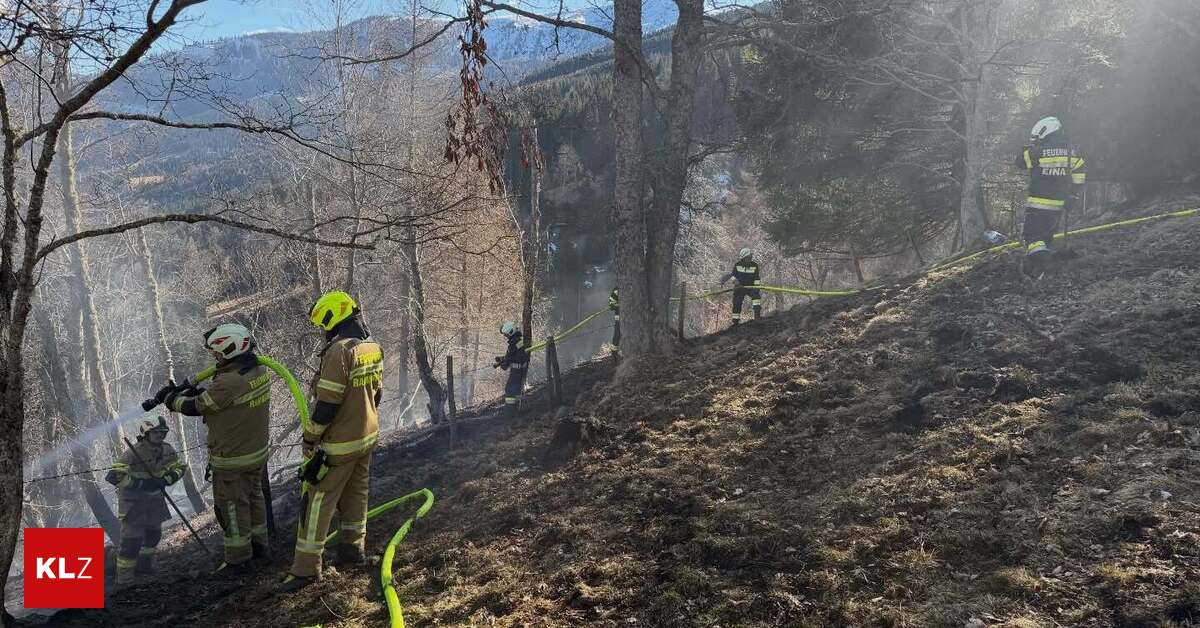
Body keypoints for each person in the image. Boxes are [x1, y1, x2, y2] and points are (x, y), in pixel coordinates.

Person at [281, 291, 383, 592]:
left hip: (338, 445)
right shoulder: (371, 346)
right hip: (367, 437)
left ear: (331, 319)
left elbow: (327, 404)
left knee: (317, 502)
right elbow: (377, 393)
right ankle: (352, 550)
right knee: (357, 495)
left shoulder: (339, 351)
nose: (322, 331)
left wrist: (310, 437)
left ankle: (305, 570)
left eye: (323, 325)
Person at [156, 323, 271, 576]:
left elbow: (197, 406)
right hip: (256, 453)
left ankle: (238, 560)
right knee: (254, 500)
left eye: (217, 353)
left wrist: (170, 399)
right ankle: (260, 547)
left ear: (230, 349)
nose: (215, 358)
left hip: (233, 458)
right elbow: (225, 402)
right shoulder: (258, 369)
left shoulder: (229, 380)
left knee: (231, 507)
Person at [105, 417, 186, 589]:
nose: (159, 435)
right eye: (155, 432)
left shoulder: (167, 450)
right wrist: (140, 484)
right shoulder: (134, 452)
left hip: (154, 500)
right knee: (131, 543)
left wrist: (166, 480)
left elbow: (179, 468)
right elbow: (113, 476)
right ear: (146, 434)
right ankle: (124, 581)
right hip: (134, 503)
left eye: (162, 432)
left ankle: (144, 568)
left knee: (153, 535)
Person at [1016, 116, 1087, 279]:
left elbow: (1019, 162)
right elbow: (1079, 175)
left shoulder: (1037, 151)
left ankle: (1047, 268)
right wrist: (1073, 196)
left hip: (1038, 205)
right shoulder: (1072, 151)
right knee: (1045, 239)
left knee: (1032, 239)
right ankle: (1039, 272)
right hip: (1058, 206)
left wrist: (1025, 149)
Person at [719, 247, 763, 326]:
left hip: (751, 287)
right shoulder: (737, 265)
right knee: (737, 302)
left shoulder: (755, 266)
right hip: (740, 288)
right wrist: (736, 283)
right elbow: (732, 276)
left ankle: (757, 316)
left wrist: (756, 288)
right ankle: (735, 322)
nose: (750, 258)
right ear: (743, 258)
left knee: (756, 298)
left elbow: (757, 278)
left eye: (750, 256)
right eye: (748, 257)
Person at [494, 322, 530, 414]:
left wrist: (502, 364)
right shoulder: (520, 340)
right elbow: (515, 354)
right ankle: (517, 408)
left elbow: (508, 360)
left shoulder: (513, 343)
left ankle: (509, 411)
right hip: (522, 370)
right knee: (517, 389)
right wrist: (502, 358)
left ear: (510, 332)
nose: (505, 336)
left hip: (516, 371)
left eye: (506, 334)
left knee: (510, 390)